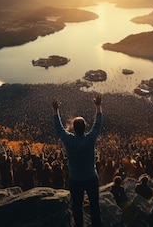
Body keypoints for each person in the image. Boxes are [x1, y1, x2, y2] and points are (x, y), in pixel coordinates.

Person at [53, 94, 103, 227]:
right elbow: (98, 124)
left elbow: (59, 128)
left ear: (74, 129)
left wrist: (56, 110)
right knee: (94, 205)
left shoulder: (69, 141)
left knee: (77, 206)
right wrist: (98, 106)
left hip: (75, 180)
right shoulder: (90, 139)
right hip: (91, 178)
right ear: (85, 127)